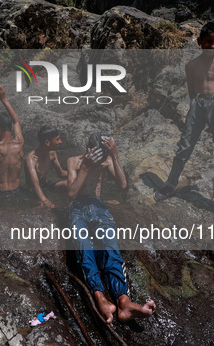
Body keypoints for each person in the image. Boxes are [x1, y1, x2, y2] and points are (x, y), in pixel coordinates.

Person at [154, 22, 214, 215]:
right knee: (184, 147)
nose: (213, 46)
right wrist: (200, 115)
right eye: (208, 42)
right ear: (200, 41)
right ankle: (170, 184)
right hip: (197, 105)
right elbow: (192, 91)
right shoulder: (191, 65)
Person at [67, 131, 156, 325]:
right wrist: (86, 166)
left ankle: (124, 302)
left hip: (100, 208)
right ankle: (101, 298)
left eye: (103, 154)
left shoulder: (107, 161)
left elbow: (123, 184)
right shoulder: (74, 161)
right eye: (95, 153)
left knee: (110, 247)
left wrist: (114, 155)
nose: (99, 158)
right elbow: (72, 193)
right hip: (79, 209)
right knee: (85, 248)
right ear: (88, 149)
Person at [25, 125, 67, 208]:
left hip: (46, 185)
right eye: (57, 139)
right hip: (34, 191)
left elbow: (61, 173)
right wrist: (45, 201)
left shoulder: (52, 153)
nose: (60, 142)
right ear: (47, 142)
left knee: (70, 184)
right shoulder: (31, 159)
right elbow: (35, 184)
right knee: (46, 207)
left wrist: (78, 174)